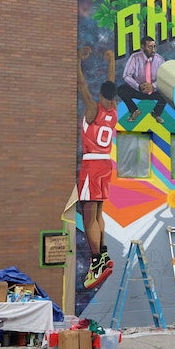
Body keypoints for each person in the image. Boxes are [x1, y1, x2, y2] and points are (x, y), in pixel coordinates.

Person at [77, 47, 118, 289]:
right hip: (106, 164)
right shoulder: (113, 110)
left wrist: (77, 62)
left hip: (92, 163)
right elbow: (111, 82)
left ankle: (96, 261)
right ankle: (103, 253)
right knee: (99, 212)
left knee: (88, 215)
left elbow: (81, 85)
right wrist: (111, 61)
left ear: (100, 95)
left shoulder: (94, 109)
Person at [117, 36, 167, 124]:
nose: (153, 49)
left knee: (168, 92)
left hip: (153, 91)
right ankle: (134, 110)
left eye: (154, 46)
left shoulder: (160, 59)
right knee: (121, 89)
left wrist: (153, 86)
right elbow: (126, 76)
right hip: (138, 90)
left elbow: (164, 78)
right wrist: (138, 86)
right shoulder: (134, 57)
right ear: (143, 47)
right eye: (150, 47)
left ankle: (156, 113)